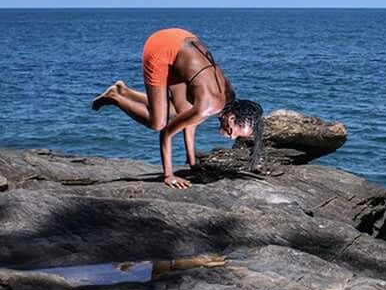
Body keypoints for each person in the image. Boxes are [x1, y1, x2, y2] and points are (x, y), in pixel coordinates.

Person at [91, 27, 263, 189]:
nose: (231, 138)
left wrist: (192, 163)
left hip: (182, 39)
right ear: (231, 118)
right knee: (158, 123)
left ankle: (124, 90)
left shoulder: (229, 95)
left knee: (181, 111)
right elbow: (166, 133)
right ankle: (115, 97)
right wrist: (168, 175)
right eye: (234, 133)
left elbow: (189, 120)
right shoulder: (208, 107)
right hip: (161, 48)